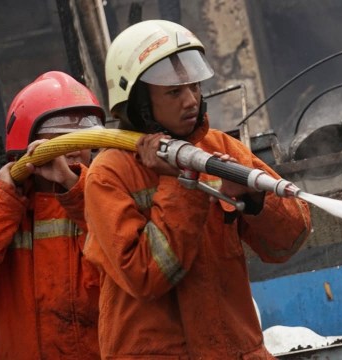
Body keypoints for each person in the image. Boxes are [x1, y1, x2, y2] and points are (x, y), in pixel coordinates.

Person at [83, 20, 312, 359]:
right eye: (174, 92)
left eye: (193, 86)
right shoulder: (109, 173)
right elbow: (145, 275)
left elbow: (288, 242)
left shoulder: (221, 148)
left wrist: (254, 199)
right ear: (138, 103)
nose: (191, 100)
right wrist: (180, 182)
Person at [0, 71, 105, 359]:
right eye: (62, 140)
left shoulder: (108, 203)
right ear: (26, 146)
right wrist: (3, 198)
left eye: (84, 138)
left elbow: (136, 269)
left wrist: (76, 189)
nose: (76, 150)